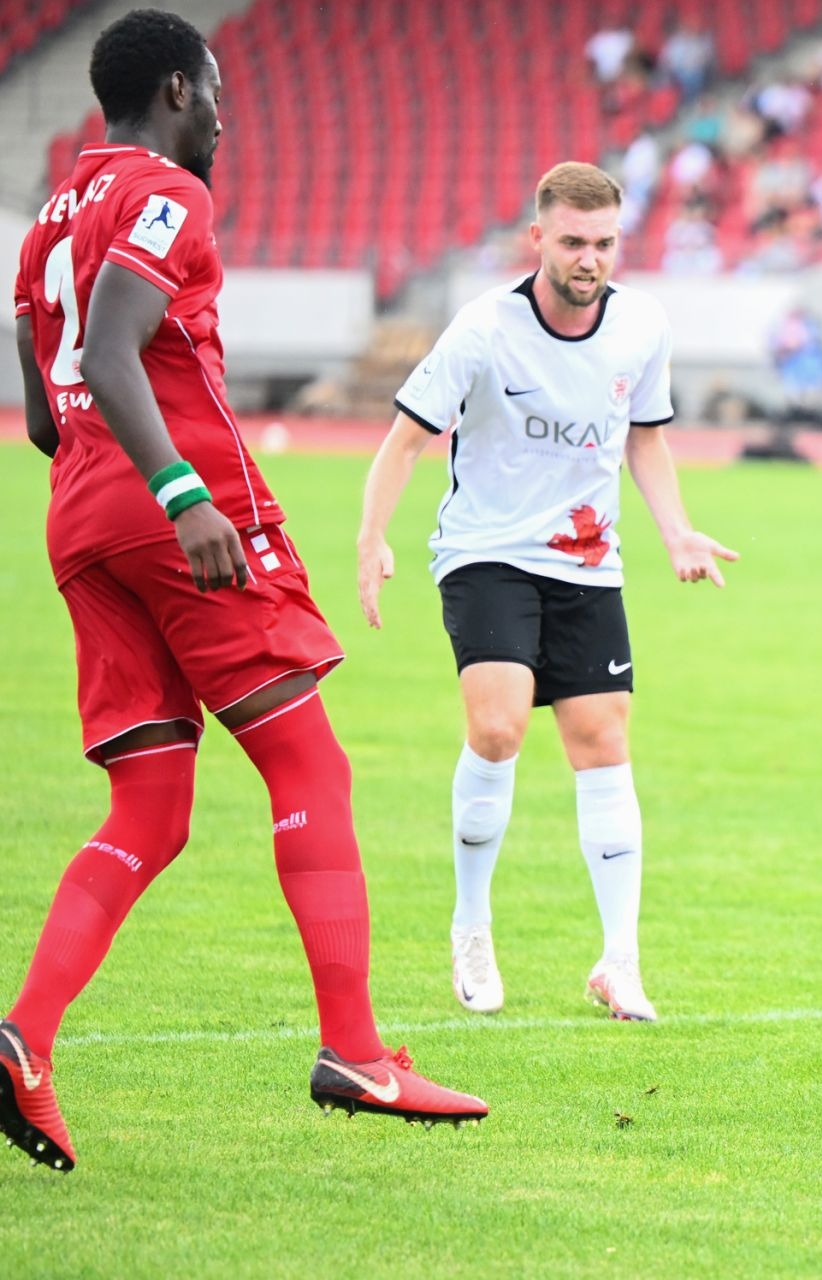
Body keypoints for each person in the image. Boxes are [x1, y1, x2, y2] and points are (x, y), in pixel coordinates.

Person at [2, 10, 488, 1174]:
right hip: (182, 506)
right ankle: (356, 1051)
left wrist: (120, 487)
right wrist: (181, 492)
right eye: (214, 90)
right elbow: (113, 350)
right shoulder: (167, 191)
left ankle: (21, 1039)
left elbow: (45, 405)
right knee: (309, 764)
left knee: (152, 806)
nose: (223, 114)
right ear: (178, 88)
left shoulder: (49, 217)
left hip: (79, 517)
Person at [357, 162, 736, 1023]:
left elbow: (645, 439)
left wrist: (677, 530)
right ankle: (471, 925)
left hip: (586, 560)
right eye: (572, 242)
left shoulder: (642, 325)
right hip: (486, 552)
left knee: (603, 740)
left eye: (603, 243)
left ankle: (619, 961)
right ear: (538, 239)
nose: (588, 258)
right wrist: (371, 539)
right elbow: (405, 441)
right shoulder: (483, 329)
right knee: (497, 727)